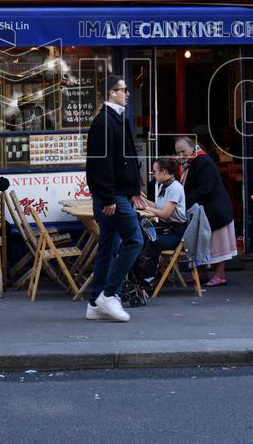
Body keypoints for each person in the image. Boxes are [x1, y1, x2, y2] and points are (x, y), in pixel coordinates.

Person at [84, 75, 144, 322]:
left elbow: (124, 159)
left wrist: (133, 190)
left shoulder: (115, 118)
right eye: (123, 89)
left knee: (108, 248)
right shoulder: (105, 122)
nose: (127, 94)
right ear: (111, 93)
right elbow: (101, 164)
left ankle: (95, 302)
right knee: (135, 240)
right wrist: (109, 197)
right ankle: (110, 294)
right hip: (112, 196)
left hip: (117, 194)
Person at [175, 136, 236, 287]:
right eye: (178, 152)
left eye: (183, 151)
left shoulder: (203, 162)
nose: (181, 155)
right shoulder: (192, 162)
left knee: (217, 243)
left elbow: (205, 189)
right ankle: (202, 273)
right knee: (203, 242)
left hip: (215, 210)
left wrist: (184, 201)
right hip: (205, 210)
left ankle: (220, 275)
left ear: (192, 148)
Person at [135, 157, 187, 285]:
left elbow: (165, 213)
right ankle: (139, 273)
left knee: (152, 242)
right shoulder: (164, 185)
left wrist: (146, 207)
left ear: (163, 171)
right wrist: (141, 198)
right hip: (167, 228)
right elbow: (158, 206)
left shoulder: (175, 188)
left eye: (154, 171)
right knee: (140, 234)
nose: (153, 174)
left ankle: (149, 278)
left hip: (176, 233)